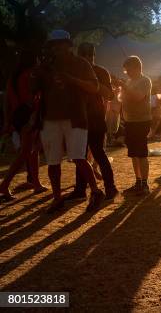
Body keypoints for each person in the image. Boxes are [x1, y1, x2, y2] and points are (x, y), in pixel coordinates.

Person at [32, 30, 104, 213]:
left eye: (61, 44)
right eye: (54, 45)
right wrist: (37, 73)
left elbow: (94, 87)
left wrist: (71, 79)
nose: (58, 48)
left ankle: (96, 191)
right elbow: (35, 92)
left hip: (75, 118)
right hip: (50, 118)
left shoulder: (81, 63)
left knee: (79, 157)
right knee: (53, 161)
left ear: (68, 45)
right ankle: (57, 198)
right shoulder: (46, 66)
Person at [65, 43, 118, 201]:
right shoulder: (75, 71)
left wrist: (93, 84)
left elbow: (109, 95)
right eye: (85, 55)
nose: (88, 58)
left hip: (95, 118)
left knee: (98, 153)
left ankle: (110, 187)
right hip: (79, 117)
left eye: (90, 55)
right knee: (79, 155)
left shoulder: (101, 71)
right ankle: (80, 189)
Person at [0, 50, 47, 201]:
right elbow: (33, 98)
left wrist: (8, 121)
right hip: (28, 116)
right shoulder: (30, 75)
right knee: (26, 152)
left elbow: (7, 101)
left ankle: (36, 183)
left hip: (17, 116)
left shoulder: (13, 77)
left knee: (32, 151)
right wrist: (34, 116)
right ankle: (4, 184)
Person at [119, 56, 152, 194]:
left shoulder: (145, 80)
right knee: (133, 153)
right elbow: (123, 98)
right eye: (126, 70)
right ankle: (138, 181)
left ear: (137, 67)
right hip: (130, 121)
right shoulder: (129, 81)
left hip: (141, 120)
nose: (127, 72)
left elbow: (138, 97)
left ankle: (144, 184)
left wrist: (124, 86)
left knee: (141, 153)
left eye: (128, 69)